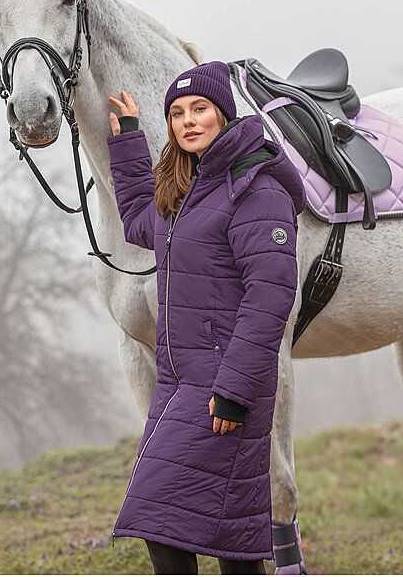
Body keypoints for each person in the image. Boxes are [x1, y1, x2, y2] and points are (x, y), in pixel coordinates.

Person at [106, 61, 306, 575]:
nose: (187, 121)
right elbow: (136, 221)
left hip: (222, 390)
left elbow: (271, 295)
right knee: (221, 537)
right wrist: (129, 140)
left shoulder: (257, 190)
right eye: (176, 113)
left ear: (224, 114)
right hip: (180, 385)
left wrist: (235, 391)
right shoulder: (186, 190)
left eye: (200, 109)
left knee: (161, 519)